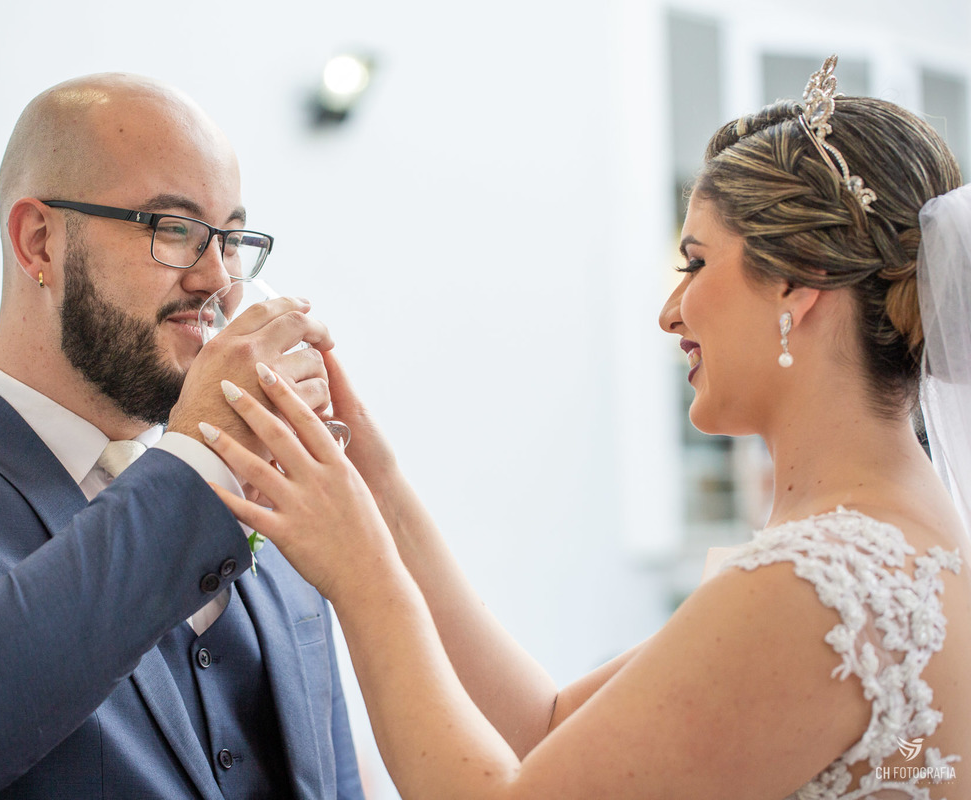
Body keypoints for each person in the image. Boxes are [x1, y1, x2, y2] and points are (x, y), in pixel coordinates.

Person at [199, 57, 971, 798]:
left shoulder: (819, 583)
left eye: (696, 263)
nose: (671, 311)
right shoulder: (899, 540)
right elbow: (548, 728)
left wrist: (359, 575)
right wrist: (380, 489)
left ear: (796, 285)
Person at [0, 73, 364, 799]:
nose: (218, 279)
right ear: (39, 242)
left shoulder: (262, 486)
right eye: (173, 229)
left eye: (233, 239)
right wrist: (197, 461)